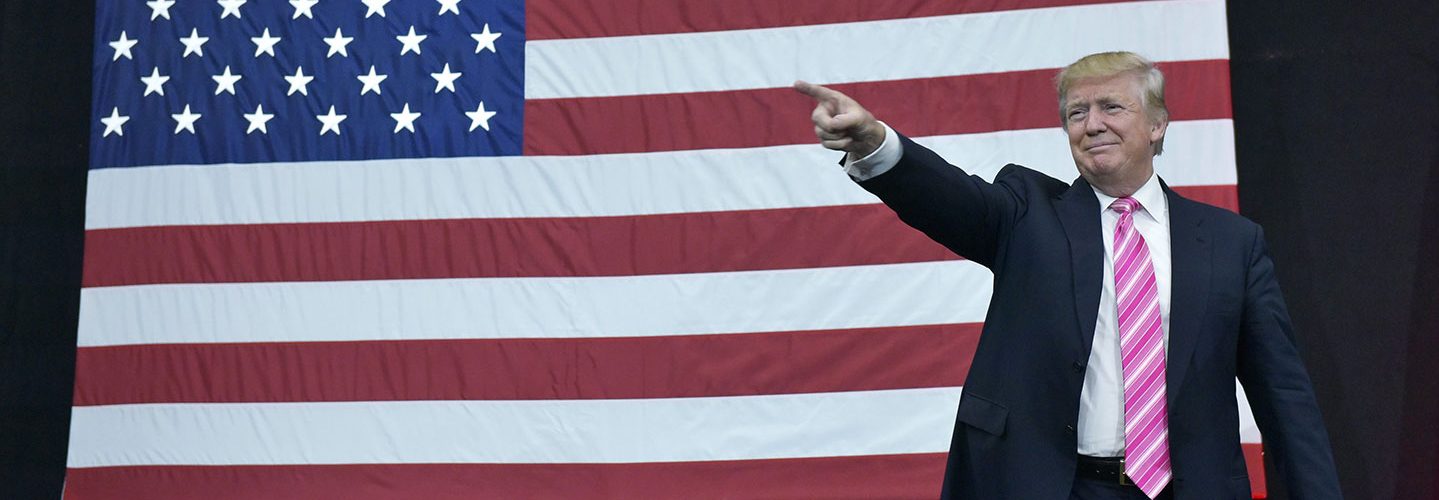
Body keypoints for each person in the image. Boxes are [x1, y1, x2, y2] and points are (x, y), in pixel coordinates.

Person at [793, 52, 1341, 500]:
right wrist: (875, 143)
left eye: (1111, 107)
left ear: (1157, 125)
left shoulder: (1232, 243)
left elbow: (1283, 396)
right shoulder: (1026, 213)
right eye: (1077, 113)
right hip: (1056, 485)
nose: (1092, 123)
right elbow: (948, 197)